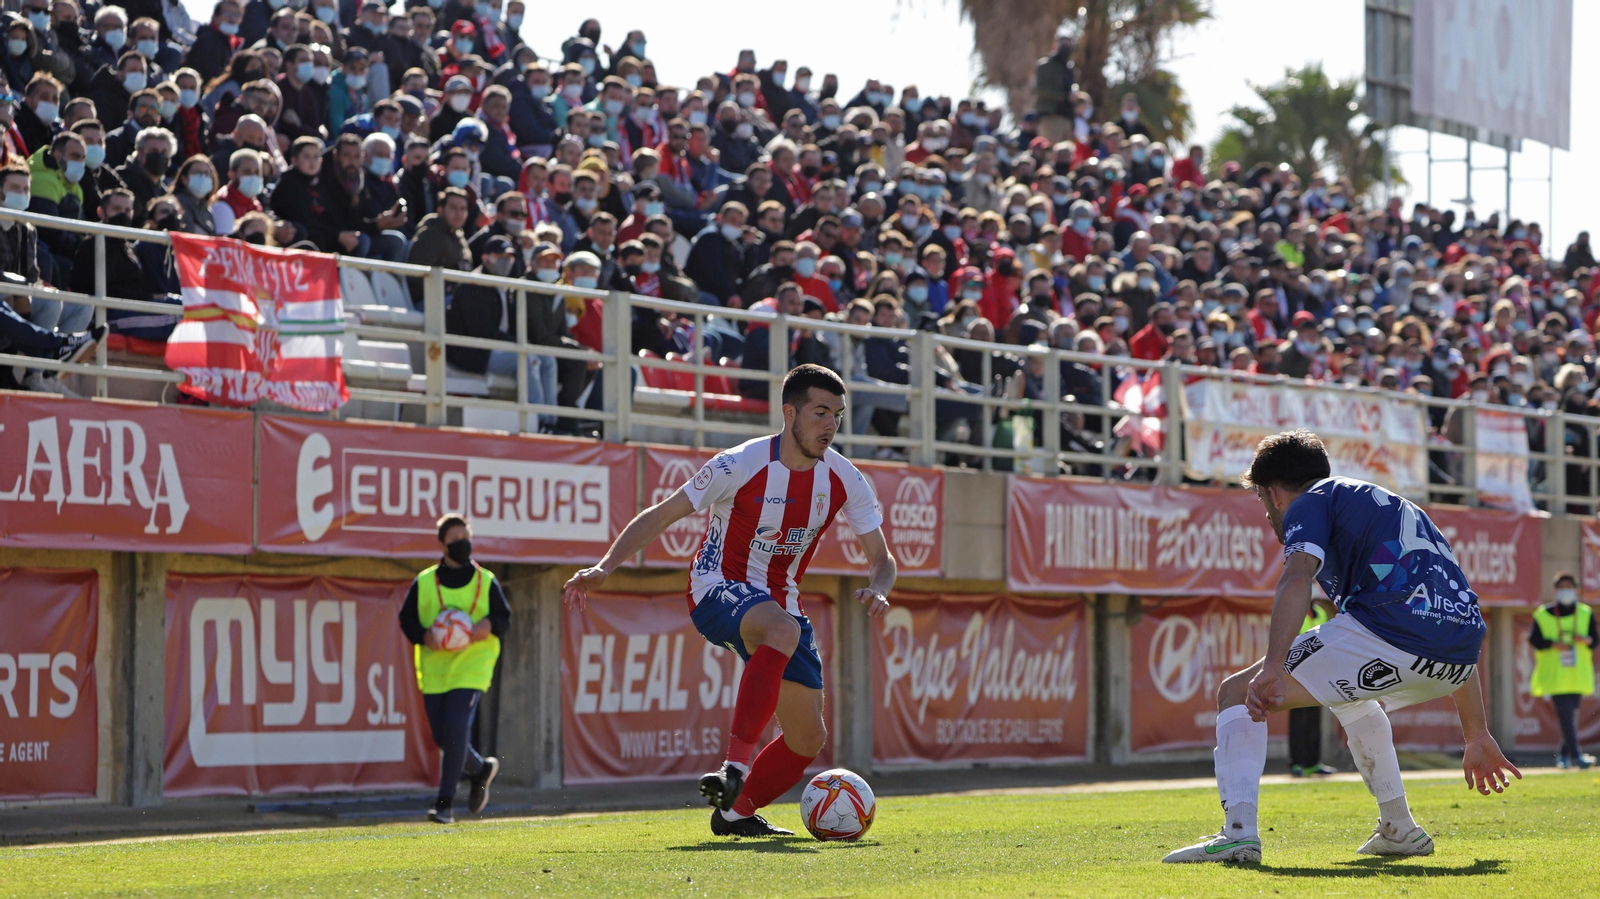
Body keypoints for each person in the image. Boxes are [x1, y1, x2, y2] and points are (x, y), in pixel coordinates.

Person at [563, 364, 897, 837]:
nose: (830, 426)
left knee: (808, 739)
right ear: (789, 412)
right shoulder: (738, 463)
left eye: (837, 416)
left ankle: (735, 812)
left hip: (782, 603)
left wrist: (880, 587)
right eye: (820, 413)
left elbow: (882, 560)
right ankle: (735, 768)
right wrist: (605, 566)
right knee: (780, 629)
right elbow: (661, 515)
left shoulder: (843, 478)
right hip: (716, 587)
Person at [1164, 429, 1519, 865]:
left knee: (1238, 693)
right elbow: (1447, 619)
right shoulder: (1390, 505)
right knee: (1351, 699)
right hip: (1456, 659)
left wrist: (1272, 666)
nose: (1266, 513)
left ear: (1275, 494)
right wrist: (1476, 731)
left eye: (1261, 500)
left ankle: (1238, 834)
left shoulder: (1309, 502)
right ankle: (1399, 828)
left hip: (1393, 637)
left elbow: (1297, 578)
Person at [397, 514, 509, 825]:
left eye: (466, 536)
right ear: (442, 543)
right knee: (442, 735)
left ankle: (444, 805)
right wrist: (424, 636)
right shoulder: (424, 582)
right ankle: (480, 769)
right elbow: (406, 620)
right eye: (455, 538)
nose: (462, 542)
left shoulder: (486, 581)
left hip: (472, 665)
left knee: (457, 727)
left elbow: (505, 619)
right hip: (435, 669)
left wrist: (489, 624)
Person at [1528, 572, 1596, 769]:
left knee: (1570, 718)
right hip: (1555, 676)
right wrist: (1552, 644)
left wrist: (1586, 640)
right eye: (1562, 587)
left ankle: (1564, 757)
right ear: (1554, 591)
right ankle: (1577, 756)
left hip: (1577, 675)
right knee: (1567, 717)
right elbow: (1535, 640)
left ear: (1577, 590)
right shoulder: (1542, 614)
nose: (1566, 591)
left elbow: (1595, 640)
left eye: (1569, 587)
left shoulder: (1585, 613)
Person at [1287, 598, 1337, 778]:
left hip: (1317, 673)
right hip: (1297, 673)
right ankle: (1297, 763)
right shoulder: (1293, 611)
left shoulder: (1320, 613)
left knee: (1315, 720)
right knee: (1299, 720)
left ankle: (1313, 763)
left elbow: (1327, 638)